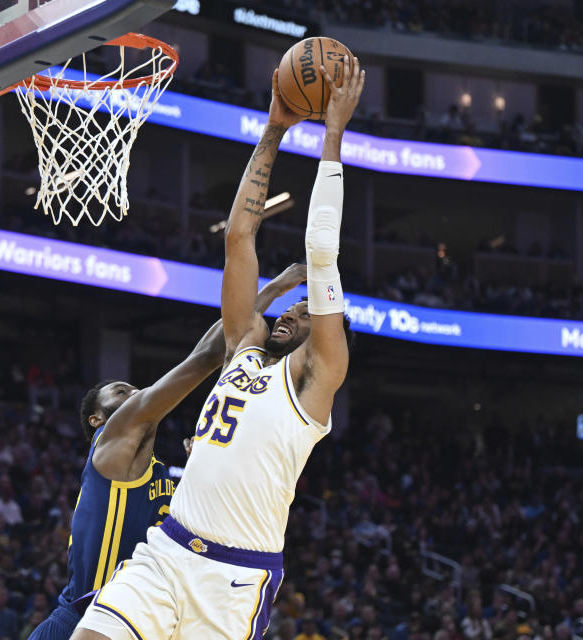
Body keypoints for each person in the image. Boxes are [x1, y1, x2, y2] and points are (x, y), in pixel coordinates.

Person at [73, 55, 364, 640]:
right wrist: (275, 128)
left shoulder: (317, 381)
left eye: (304, 311)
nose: (287, 310)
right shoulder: (245, 351)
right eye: (290, 304)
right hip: (165, 551)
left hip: (233, 579)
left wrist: (332, 136)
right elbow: (239, 238)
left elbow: (321, 254)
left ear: (327, 336)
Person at [29, 264, 307, 640]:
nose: (133, 394)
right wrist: (273, 289)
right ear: (97, 420)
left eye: (133, 389)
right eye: (120, 392)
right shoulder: (113, 445)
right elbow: (208, 355)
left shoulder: (159, 473)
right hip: (82, 617)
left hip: (140, 618)